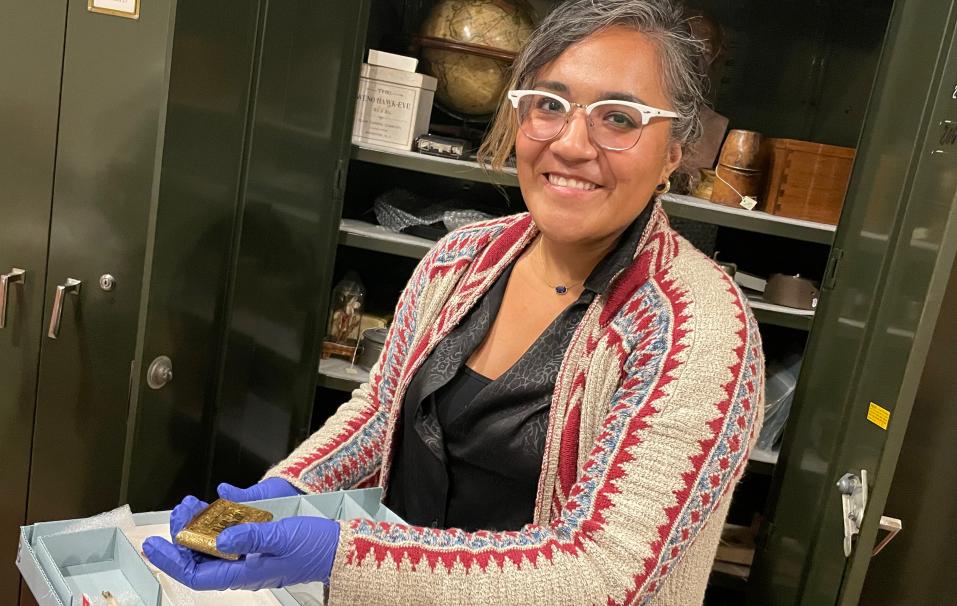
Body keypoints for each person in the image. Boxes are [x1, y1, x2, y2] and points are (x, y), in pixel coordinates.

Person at [144, 1, 765, 604]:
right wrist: (280, 492)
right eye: (549, 105)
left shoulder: (698, 332)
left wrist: (343, 556)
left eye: (620, 119)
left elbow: (601, 576)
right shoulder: (460, 260)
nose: (573, 144)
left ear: (674, 154)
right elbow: (380, 411)